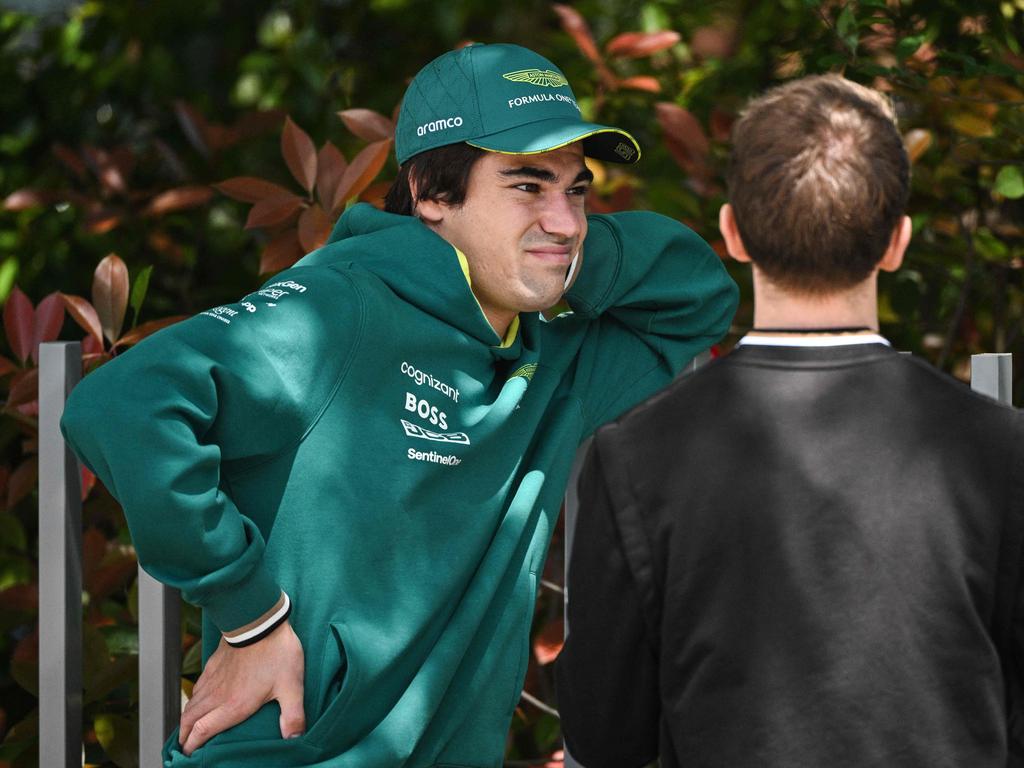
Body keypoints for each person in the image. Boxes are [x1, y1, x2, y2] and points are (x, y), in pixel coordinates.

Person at [60, 43, 737, 768]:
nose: (567, 218)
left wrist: (547, 253)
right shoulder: (341, 310)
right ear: (433, 194)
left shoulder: (555, 356)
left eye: (575, 189)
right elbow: (123, 401)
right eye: (527, 184)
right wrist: (251, 618)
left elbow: (696, 294)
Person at [555, 74, 1024, 768]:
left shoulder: (637, 458)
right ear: (897, 242)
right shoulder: (999, 451)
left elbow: (602, 733)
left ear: (732, 233)